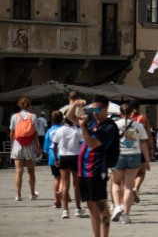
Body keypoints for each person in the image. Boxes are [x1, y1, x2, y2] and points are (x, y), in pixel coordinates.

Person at [77, 95, 118, 237]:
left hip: (96, 171)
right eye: (92, 108)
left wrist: (83, 127)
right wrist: (75, 104)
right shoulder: (93, 122)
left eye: (97, 108)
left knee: (102, 209)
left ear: (105, 109)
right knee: (91, 208)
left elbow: (93, 144)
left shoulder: (109, 126)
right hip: (83, 171)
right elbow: (71, 117)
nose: (94, 111)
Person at [110, 102, 150, 224]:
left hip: (118, 155)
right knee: (128, 186)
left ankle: (117, 206)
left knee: (116, 183)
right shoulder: (138, 126)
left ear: (120, 113)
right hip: (134, 155)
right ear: (132, 112)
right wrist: (147, 160)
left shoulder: (114, 125)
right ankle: (126, 215)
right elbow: (143, 145)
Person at [9, 96, 44, 201]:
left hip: (17, 145)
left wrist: (12, 145)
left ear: (20, 105)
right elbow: (35, 134)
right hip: (30, 145)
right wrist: (38, 148)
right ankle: (32, 193)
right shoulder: (33, 116)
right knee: (31, 171)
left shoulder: (14, 116)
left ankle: (18, 195)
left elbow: (11, 133)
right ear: (29, 105)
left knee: (18, 171)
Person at [53, 112, 85, 218]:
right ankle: (77, 208)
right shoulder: (77, 131)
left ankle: (65, 210)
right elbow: (82, 143)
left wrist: (56, 159)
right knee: (76, 185)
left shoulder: (59, 130)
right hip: (75, 156)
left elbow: (54, 146)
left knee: (65, 184)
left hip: (63, 156)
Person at [125, 100, 152, 201]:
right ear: (139, 107)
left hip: (127, 148)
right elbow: (148, 134)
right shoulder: (143, 118)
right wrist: (151, 148)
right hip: (140, 147)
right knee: (141, 172)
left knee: (130, 173)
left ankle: (129, 193)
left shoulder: (126, 118)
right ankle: (136, 188)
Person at [43, 110, 63, 209]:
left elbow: (46, 148)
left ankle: (56, 200)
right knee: (64, 178)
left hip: (52, 156)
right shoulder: (64, 129)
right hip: (64, 155)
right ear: (62, 119)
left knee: (56, 178)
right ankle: (61, 192)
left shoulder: (49, 131)